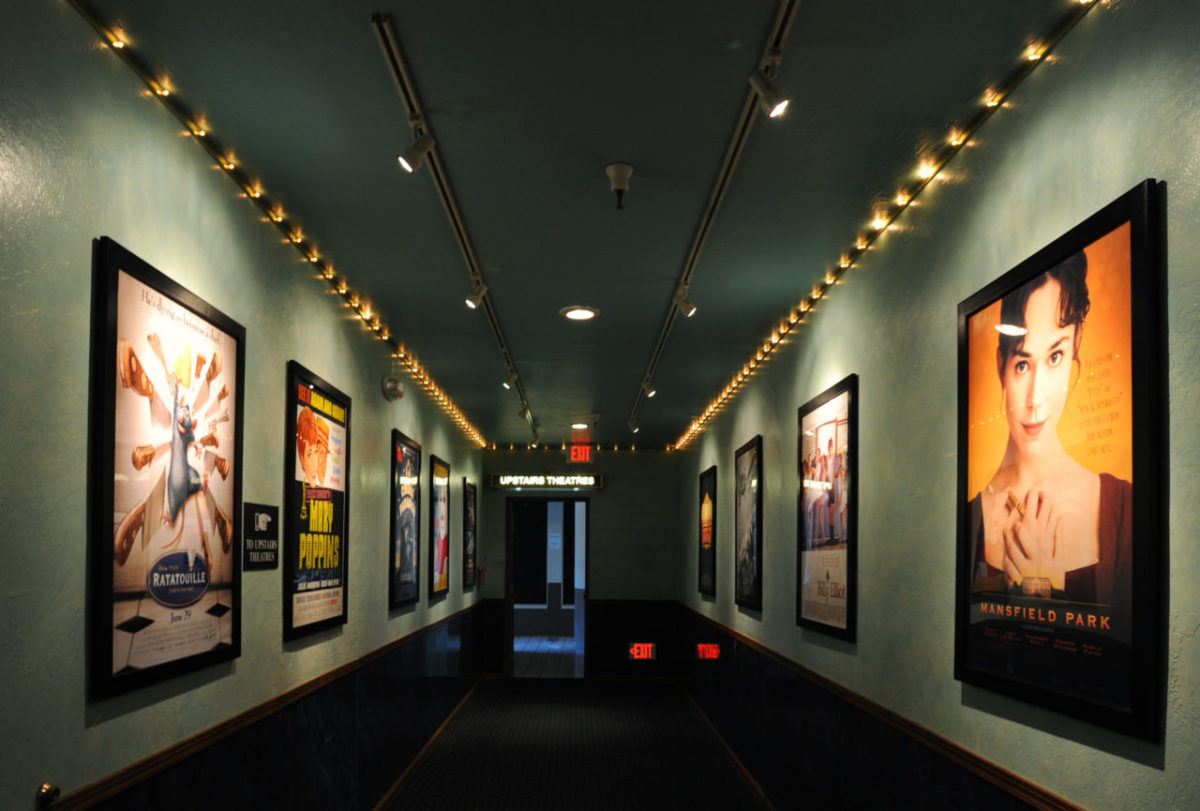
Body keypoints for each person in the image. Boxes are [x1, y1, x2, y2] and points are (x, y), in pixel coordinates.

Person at [971, 251, 1131, 605]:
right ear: (1002, 366)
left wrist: (1042, 590)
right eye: (1023, 364)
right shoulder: (971, 521)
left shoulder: (1123, 510)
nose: (1035, 399)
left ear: (1076, 346)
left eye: (1055, 356)